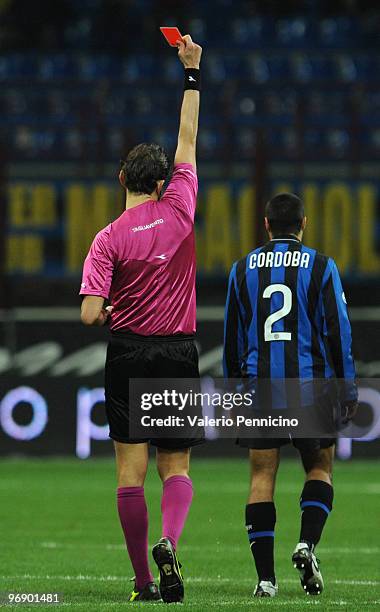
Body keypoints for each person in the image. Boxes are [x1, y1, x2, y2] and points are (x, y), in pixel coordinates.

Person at [79, 35, 203, 603]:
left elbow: (87, 314)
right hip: (177, 350)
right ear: (161, 183)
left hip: (127, 351)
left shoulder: (107, 239)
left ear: (119, 180)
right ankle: (171, 542)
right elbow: (188, 139)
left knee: (129, 473)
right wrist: (192, 74)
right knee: (174, 464)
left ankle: (143, 582)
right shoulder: (180, 206)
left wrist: (103, 306)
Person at [223, 193, 358, 598]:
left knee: (262, 476)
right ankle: (306, 543)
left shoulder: (241, 269)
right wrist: (347, 386)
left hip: (259, 386)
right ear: (304, 224)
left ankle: (266, 580)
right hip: (310, 385)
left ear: (265, 225)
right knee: (320, 468)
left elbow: (231, 337)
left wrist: (233, 393)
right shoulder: (321, 266)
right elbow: (339, 329)